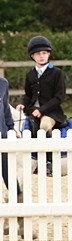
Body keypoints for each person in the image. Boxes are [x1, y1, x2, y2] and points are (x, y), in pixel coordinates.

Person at [18, 35, 69, 137]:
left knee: (44, 126)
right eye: (38, 54)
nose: (41, 56)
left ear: (48, 54)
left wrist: (41, 110)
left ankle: (49, 147)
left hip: (51, 112)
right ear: (33, 56)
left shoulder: (57, 73)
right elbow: (28, 95)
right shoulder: (30, 74)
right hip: (32, 111)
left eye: (44, 53)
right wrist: (23, 104)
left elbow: (59, 97)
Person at [1, 72, 20, 201]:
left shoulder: (3, 83)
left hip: (2, 135)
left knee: (8, 172)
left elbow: (6, 109)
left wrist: (11, 129)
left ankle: (18, 199)